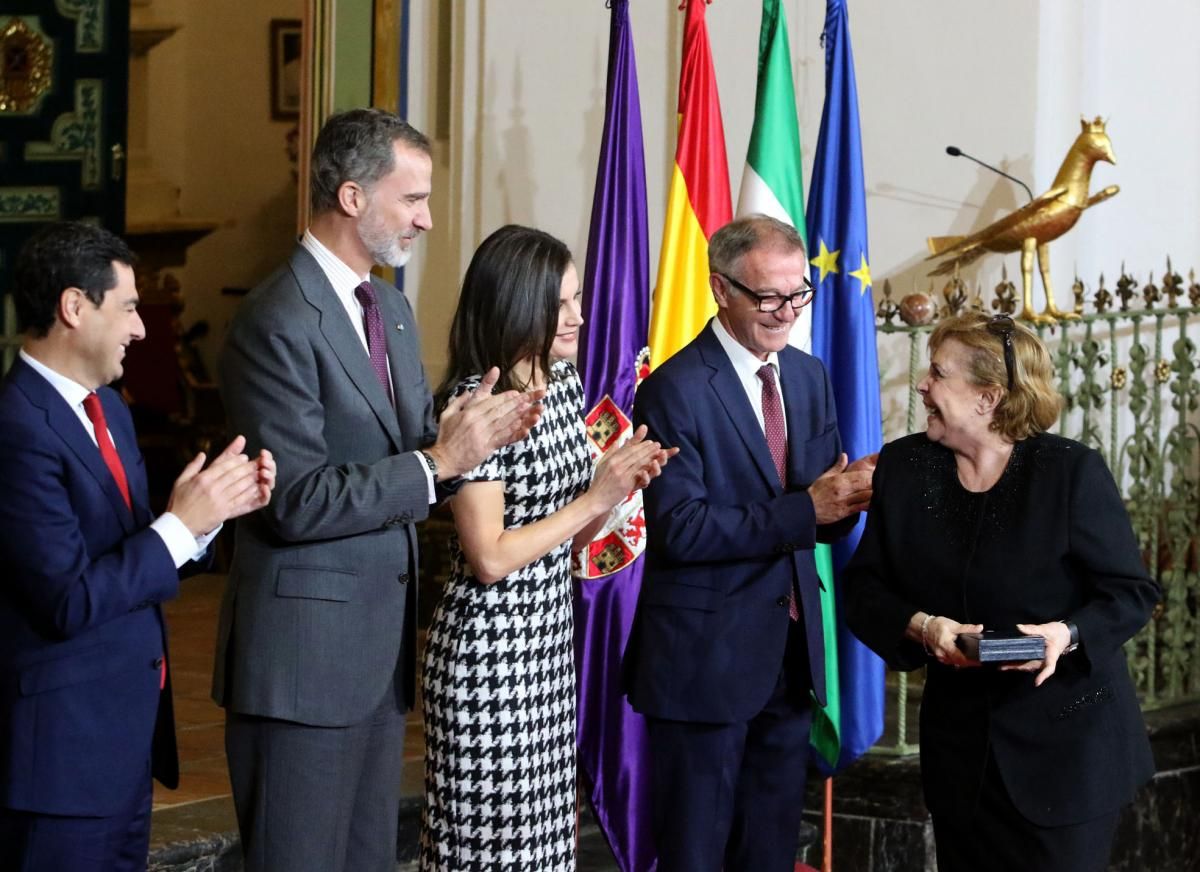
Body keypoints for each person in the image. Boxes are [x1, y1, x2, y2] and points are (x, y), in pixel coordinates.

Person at [214, 111, 542, 872]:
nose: (427, 220)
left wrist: (463, 438)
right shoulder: (276, 319)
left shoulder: (387, 309)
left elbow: (408, 458)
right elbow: (296, 500)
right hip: (300, 667)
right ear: (354, 196)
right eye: (414, 199)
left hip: (375, 661)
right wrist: (436, 460)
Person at [0, 221, 274, 871]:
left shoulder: (110, 410)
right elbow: (68, 599)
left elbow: (134, 552)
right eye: (127, 307)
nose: (142, 328)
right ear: (74, 307)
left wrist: (207, 518)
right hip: (59, 765)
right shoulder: (17, 429)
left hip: (124, 749)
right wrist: (177, 525)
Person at [844, 312, 1159, 871]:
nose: (922, 384)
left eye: (938, 373)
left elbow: (1130, 592)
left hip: (1068, 756)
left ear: (988, 398)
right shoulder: (905, 466)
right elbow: (865, 589)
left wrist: (1065, 634)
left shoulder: (1069, 472)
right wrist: (923, 627)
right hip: (959, 760)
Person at [624, 214, 875, 871]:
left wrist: (852, 497)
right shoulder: (672, 389)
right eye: (768, 296)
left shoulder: (809, 375)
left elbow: (819, 512)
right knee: (696, 855)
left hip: (791, 657)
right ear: (720, 289)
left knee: (767, 854)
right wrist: (808, 508)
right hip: (704, 667)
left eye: (798, 294)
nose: (785, 311)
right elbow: (680, 528)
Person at [418, 225, 673, 870]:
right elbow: (492, 556)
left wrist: (619, 486)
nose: (579, 317)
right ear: (514, 302)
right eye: (560, 305)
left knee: (543, 850)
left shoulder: (559, 384)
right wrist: (594, 497)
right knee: (486, 853)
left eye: (578, 299)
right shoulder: (479, 402)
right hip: (489, 658)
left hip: (546, 649)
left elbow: (568, 535)